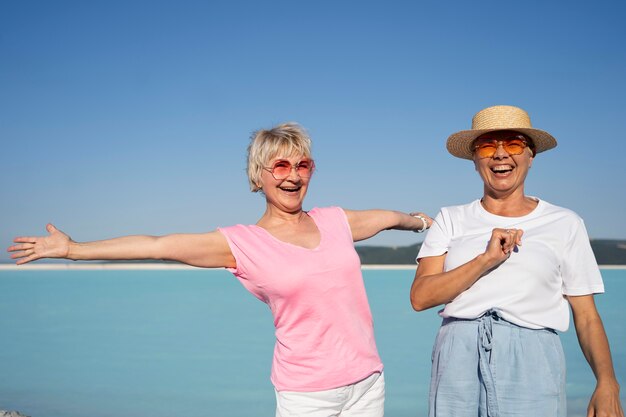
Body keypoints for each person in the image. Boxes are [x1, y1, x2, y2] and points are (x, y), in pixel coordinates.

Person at [8, 122, 432, 417]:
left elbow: (391, 217)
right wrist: (73, 249)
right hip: (308, 392)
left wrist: (425, 222)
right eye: (280, 166)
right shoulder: (240, 244)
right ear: (259, 175)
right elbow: (158, 247)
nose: (293, 176)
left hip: (368, 379)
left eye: (303, 165)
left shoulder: (336, 220)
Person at [410, 105, 623, 417]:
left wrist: (608, 383)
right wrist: (485, 259)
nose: (500, 154)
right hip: (457, 356)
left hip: (533, 358)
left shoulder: (565, 222)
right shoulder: (450, 218)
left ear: (530, 155)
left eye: (513, 144)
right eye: (487, 145)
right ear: (474, 159)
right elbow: (420, 297)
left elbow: (587, 316)